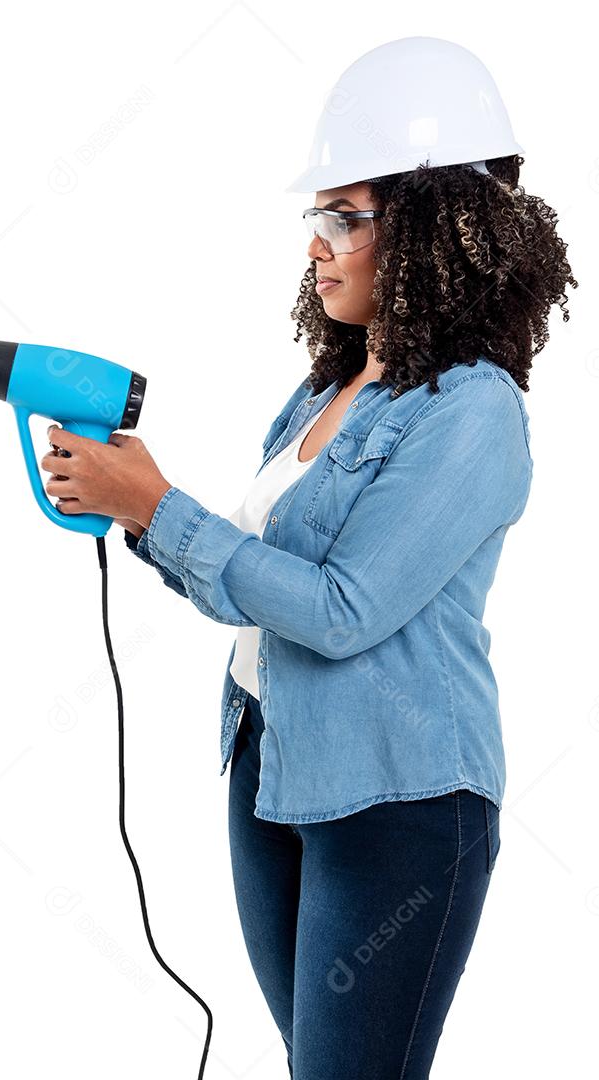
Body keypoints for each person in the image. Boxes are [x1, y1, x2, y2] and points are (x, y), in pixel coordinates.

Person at [38, 36, 577, 1080]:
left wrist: (162, 505)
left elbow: (340, 608)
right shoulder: (326, 393)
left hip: (400, 810)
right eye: (314, 218)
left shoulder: (474, 412)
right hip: (272, 772)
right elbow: (257, 586)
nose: (317, 247)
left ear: (433, 227)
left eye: (343, 216)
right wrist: (133, 509)